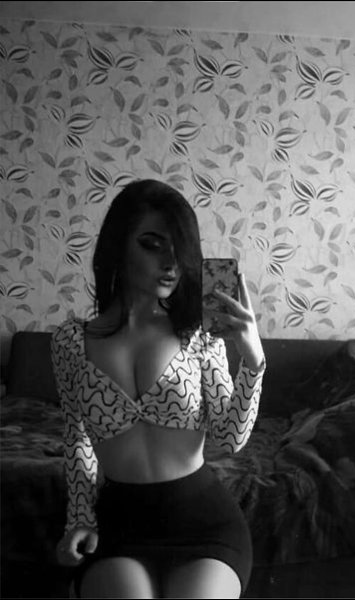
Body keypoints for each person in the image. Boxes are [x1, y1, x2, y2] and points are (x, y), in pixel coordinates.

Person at [50, 179, 266, 599]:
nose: (171, 262)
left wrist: (253, 360)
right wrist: (79, 518)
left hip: (204, 524)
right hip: (119, 524)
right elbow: (77, 436)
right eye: (152, 244)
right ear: (118, 246)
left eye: (179, 248)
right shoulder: (71, 341)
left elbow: (230, 439)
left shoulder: (199, 335)